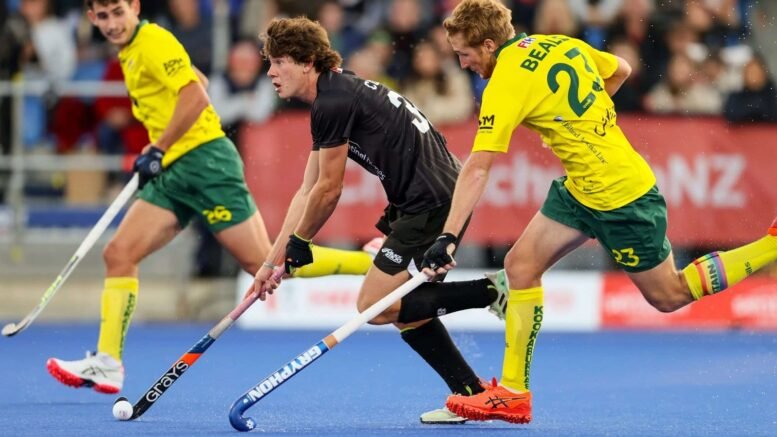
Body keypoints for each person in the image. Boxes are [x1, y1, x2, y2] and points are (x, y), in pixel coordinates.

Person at [419, 0, 777, 425]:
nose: (462, 64)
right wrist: (580, 120)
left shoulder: (505, 82)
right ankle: (513, 393)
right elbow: (621, 69)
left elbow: (478, 166)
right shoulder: (557, 43)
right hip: (582, 188)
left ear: (490, 44)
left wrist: (448, 237)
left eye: (465, 54)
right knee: (520, 265)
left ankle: (770, 246)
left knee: (669, 295)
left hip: (619, 195)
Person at [46, 0, 374, 395]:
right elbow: (197, 78)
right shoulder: (131, 50)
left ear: (134, 7)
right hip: (175, 170)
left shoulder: (152, 41)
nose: (113, 23)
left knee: (262, 263)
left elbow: (196, 95)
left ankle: (371, 261)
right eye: (104, 16)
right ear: (91, 18)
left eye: (119, 12)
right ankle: (108, 363)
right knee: (119, 253)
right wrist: (164, 150)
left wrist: (158, 147)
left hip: (205, 163)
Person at [250, 17, 509, 424]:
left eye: (278, 61)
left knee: (374, 305)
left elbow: (329, 191)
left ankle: (492, 291)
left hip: (431, 202)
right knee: (405, 309)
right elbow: (308, 189)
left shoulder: (333, 101)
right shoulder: (335, 93)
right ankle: (471, 394)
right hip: (423, 199)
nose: (270, 72)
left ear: (306, 62)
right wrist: (272, 260)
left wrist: (301, 240)